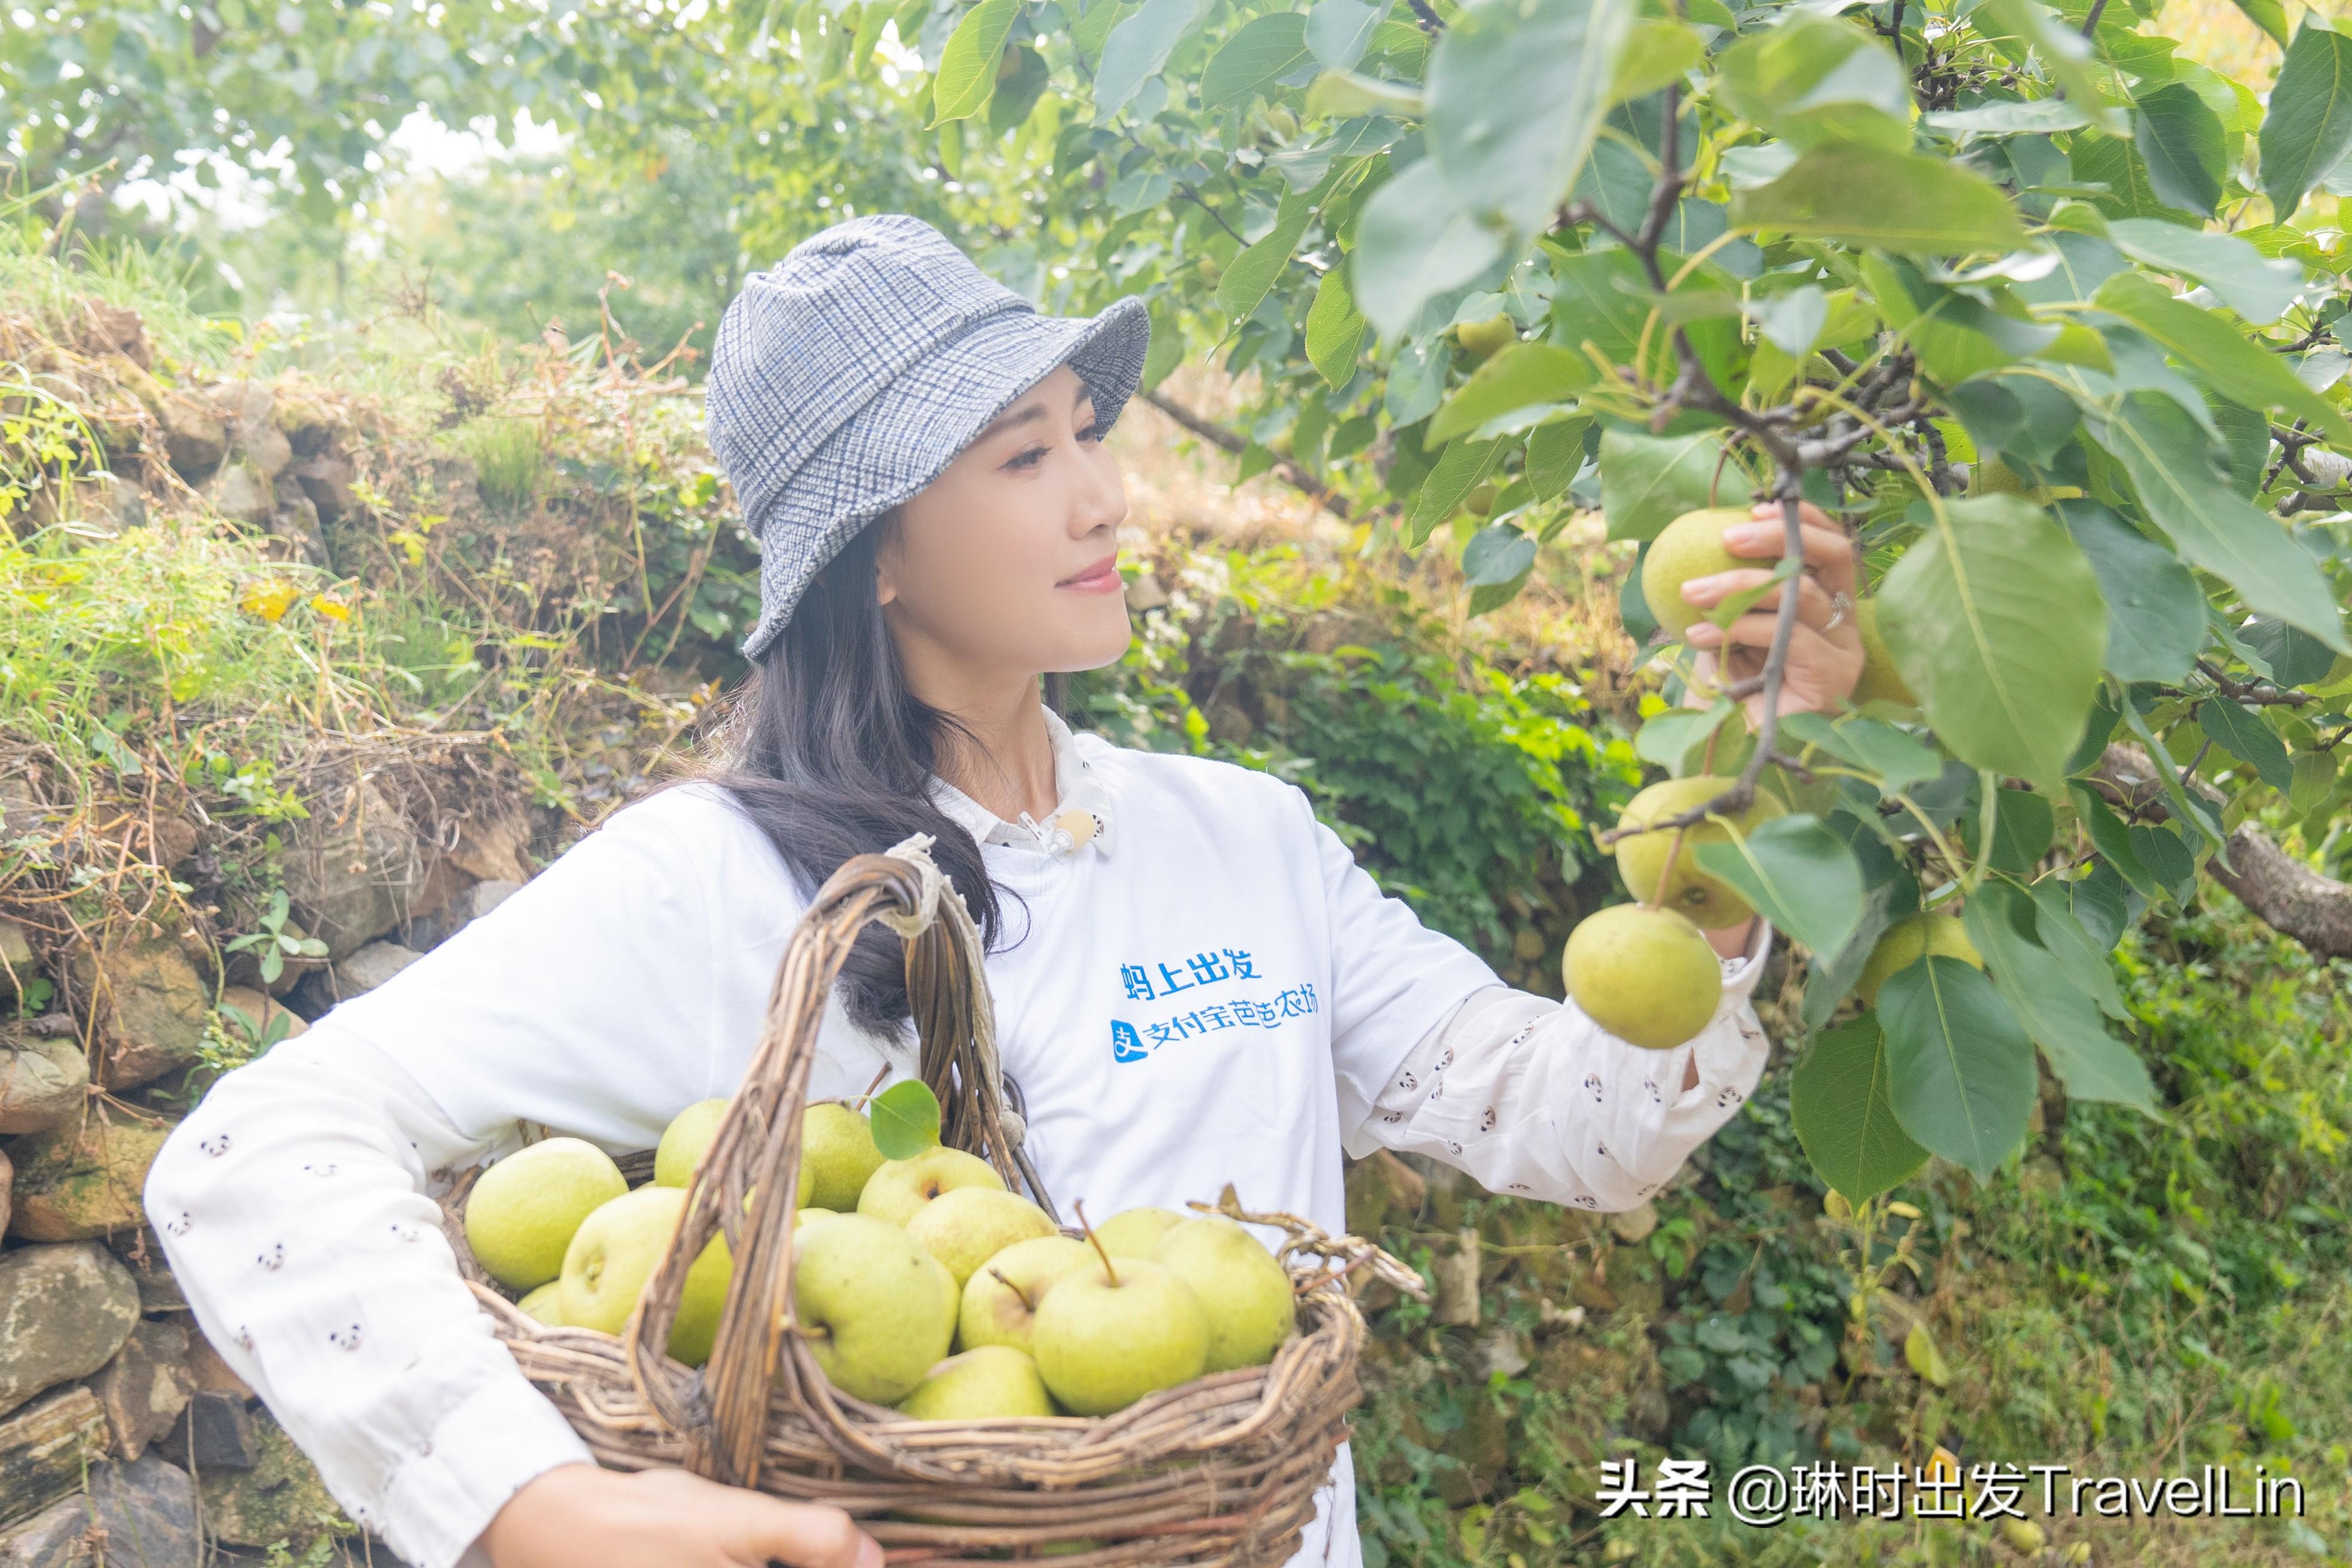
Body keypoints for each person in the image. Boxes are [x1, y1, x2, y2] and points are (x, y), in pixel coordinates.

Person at [146, 215, 1865, 1568]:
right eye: (1023, 456)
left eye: (1087, 433)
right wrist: (515, 1498)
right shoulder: (721, 881)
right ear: (875, 548)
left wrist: (1747, 793)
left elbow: (1581, 1123)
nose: (1108, 495)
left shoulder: (1241, 835)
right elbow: (245, 1156)